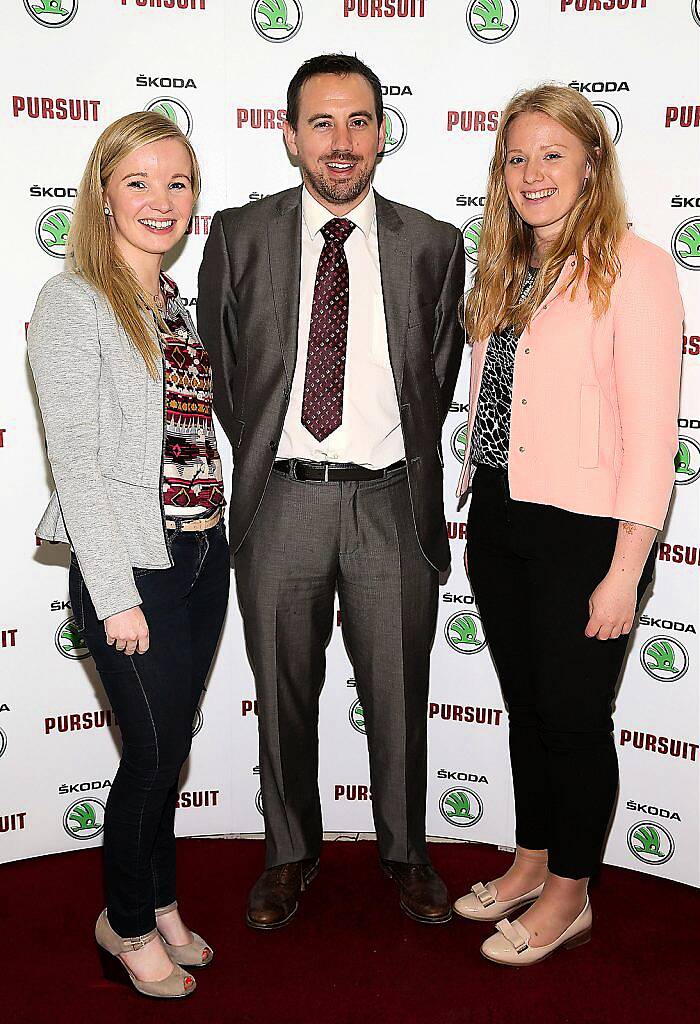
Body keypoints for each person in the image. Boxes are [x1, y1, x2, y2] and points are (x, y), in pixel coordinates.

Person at [198, 54, 465, 929]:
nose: (341, 143)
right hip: (281, 502)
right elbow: (228, 379)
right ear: (289, 136)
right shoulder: (238, 236)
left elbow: (435, 377)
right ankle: (289, 853)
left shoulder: (433, 243)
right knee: (280, 692)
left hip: (392, 502)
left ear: (383, 133)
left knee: (398, 694)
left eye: (358, 122)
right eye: (321, 123)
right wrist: (277, 463)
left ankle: (406, 853)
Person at [453, 84, 683, 965]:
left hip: (590, 533)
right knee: (527, 709)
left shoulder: (636, 265)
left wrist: (627, 566)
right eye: (516, 156)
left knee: (576, 716)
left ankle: (572, 894)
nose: (531, 173)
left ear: (593, 161)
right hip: (503, 515)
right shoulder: (508, 270)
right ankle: (532, 859)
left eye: (552, 153)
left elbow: (653, 430)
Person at [28, 111, 229, 998]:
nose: (160, 199)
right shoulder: (74, 300)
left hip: (200, 558)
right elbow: (75, 459)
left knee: (169, 747)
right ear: (103, 191)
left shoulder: (172, 303)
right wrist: (113, 595)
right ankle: (126, 920)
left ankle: (162, 898)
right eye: (139, 181)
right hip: (130, 570)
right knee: (149, 757)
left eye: (177, 182)